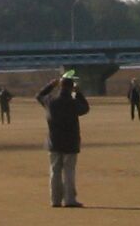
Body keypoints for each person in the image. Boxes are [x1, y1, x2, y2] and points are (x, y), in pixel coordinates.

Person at [36, 76, 90, 208]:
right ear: (71, 88)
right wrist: (78, 93)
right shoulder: (73, 103)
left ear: (60, 87)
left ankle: (55, 200)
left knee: (55, 172)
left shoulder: (50, 101)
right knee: (69, 172)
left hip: (54, 141)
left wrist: (51, 85)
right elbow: (85, 108)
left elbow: (39, 96)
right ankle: (70, 199)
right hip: (71, 142)